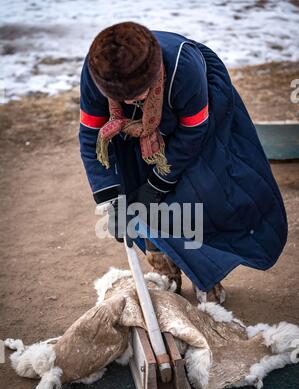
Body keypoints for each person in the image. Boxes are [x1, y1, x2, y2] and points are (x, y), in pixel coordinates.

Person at [79, 21, 287, 303]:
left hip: (193, 119)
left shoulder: (183, 66)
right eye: (120, 97)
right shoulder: (96, 73)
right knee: (134, 196)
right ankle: (164, 270)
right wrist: (110, 200)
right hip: (133, 132)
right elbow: (92, 135)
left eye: (136, 95)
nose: (128, 101)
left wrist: (158, 184)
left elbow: (193, 132)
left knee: (198, 191)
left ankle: (205, 275)